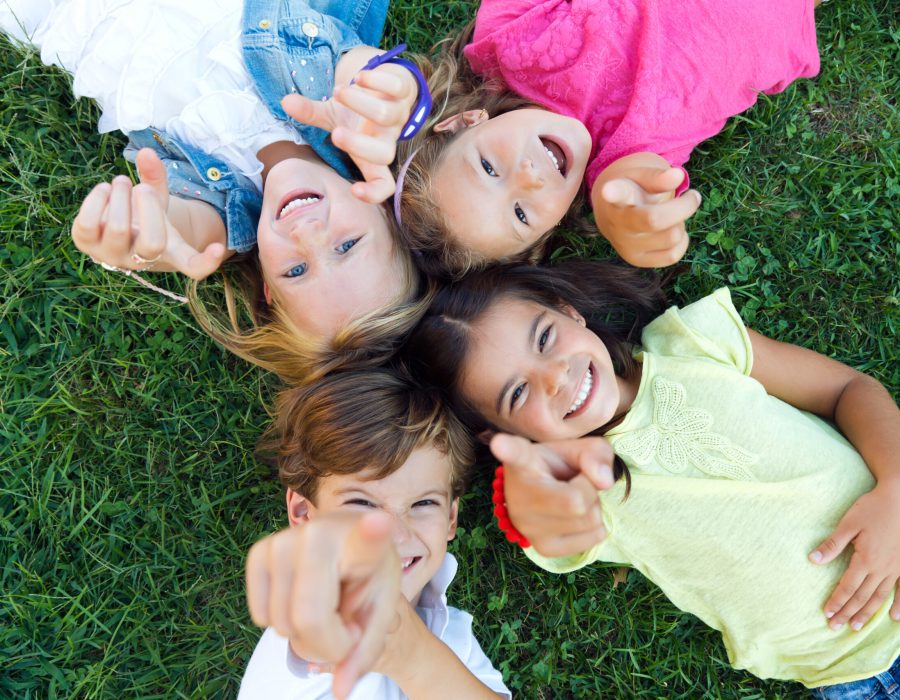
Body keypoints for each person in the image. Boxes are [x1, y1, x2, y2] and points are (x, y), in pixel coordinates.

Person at [402, 261, 900, 694]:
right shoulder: (582, 491)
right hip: (852, 672)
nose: (555, 377)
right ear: (499, 433)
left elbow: (848, 389)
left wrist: (895, 489)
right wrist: (529, 488)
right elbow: (540, 523)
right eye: (518, 394)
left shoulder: (691, 343)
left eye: (545, 338)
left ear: (568, 310)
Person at [1, 0, 425, 381]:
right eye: (347, 245)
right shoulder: (340, 111)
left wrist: (142, 240)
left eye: (296, 271)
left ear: (268, 291)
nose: (307, 236)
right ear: (388, 213)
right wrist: (393, 93)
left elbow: (178, 231)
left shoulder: (225, 217)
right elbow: (364, 72)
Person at [392, 0, 823, 277]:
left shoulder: (508, 37)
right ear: (547, 233)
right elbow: (637, 182)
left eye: (489, 168)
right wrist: (626, 218)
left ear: (465, 121)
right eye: (521, 214)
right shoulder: (618, 165)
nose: (526, 178)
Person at [241, 369, 511, 699]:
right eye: (362, 503)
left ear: (451, 518)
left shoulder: (454, 637)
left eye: (424, 502)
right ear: (303, 513)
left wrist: (418, 658)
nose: (397, 535)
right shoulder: (311, 619)